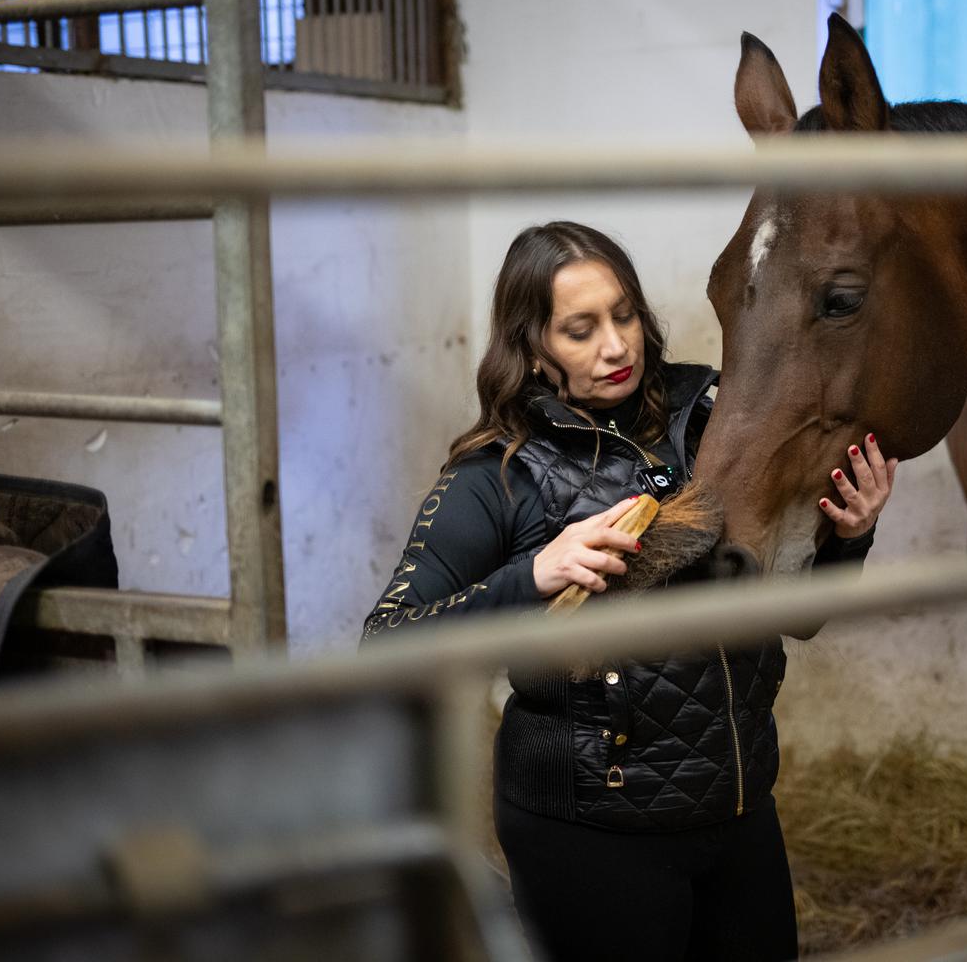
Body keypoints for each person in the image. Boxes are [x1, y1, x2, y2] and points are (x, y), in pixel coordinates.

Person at [362, 221, 896, 962]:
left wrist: (850, 536)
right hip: (590, 832)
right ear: (532, 346)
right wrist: (532, 575)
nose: (615, 347)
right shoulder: (497, 474)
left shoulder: (716, 424)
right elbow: (386, 642)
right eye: (579, 330)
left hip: (738, 806)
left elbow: (799, 619)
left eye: (624, 316)